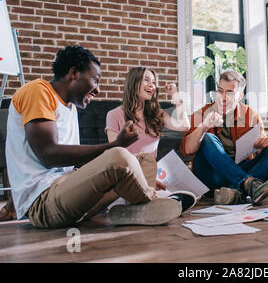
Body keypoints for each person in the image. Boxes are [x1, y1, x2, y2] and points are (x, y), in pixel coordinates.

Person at [5, 45, 187, 229]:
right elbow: (48, 155)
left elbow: (55, 163)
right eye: (95, 80)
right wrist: (116, 145)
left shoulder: (70, 107)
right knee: (120, 155)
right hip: (44, 202)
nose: (97, 90)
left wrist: (134, 175)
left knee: (143, 161)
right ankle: (152, 200)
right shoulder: (37, 90)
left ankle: (134, 210)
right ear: (74, 73)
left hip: (70, 195)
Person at [180, 70, 268, 205]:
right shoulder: (202, 113)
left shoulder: (250, 115)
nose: (222, 97)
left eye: (229, 93)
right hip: (211, 176)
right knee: (207, 138)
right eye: (220, 91)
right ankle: (246, 184)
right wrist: (204, 126)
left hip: (237, 170)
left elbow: (260, 152)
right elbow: (187, 150)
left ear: (240, 95)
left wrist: (262, 145)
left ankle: (234, 193)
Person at [102, 67, 194, 212]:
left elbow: (184, 125)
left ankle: (148, 202)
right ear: (133, 82)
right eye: (146, 79)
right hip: (127, 176)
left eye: (153, 81)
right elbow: (115, 155)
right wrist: (142, 179)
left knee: (188, 195)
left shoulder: (156, 114)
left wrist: (175, 95)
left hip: (150, 175)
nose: (152, 85)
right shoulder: (114, 115)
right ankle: (144, 202)